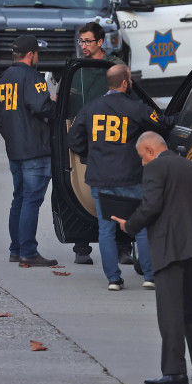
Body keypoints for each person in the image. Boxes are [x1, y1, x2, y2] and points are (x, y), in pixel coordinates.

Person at [112, 131, 192, 384]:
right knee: (190, 309)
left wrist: (129, 225)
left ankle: (174, 371)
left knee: (170, 312)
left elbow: (151, 205)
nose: (143, 163)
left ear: (151, 150)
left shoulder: (155, 169)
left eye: (142, 157)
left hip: (168, 247)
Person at [67, 65, 173, 290]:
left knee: (105, 229)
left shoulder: (90, 108)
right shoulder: (136, 108)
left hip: (100, 178)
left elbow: (73, 139)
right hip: (131, 178)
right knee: (141, 227)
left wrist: (91, 154)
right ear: (125, 83)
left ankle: (113, 280)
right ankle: (149, 276)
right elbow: (163, 124)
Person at [0, 34, 58, 267]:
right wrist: (55, 102)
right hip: (35, 150)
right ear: (31, 54)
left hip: (15, 149)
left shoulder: (4, 77)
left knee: (19, 199)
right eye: (37, 54)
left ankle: (16, 249)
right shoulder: (32, 76)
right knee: (31, 200)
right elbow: (42, 106)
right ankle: (28, 252)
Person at [72, 21, 133, 266]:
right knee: (80, 191)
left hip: (114, 140)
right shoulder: (78, 69)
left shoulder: (115, 67)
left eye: (88, 41)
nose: (83, 46)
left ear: (100, 42)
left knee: (117, 198)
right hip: (86, 139)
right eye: (81, 41)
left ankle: (122, 246)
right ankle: (81, 245)